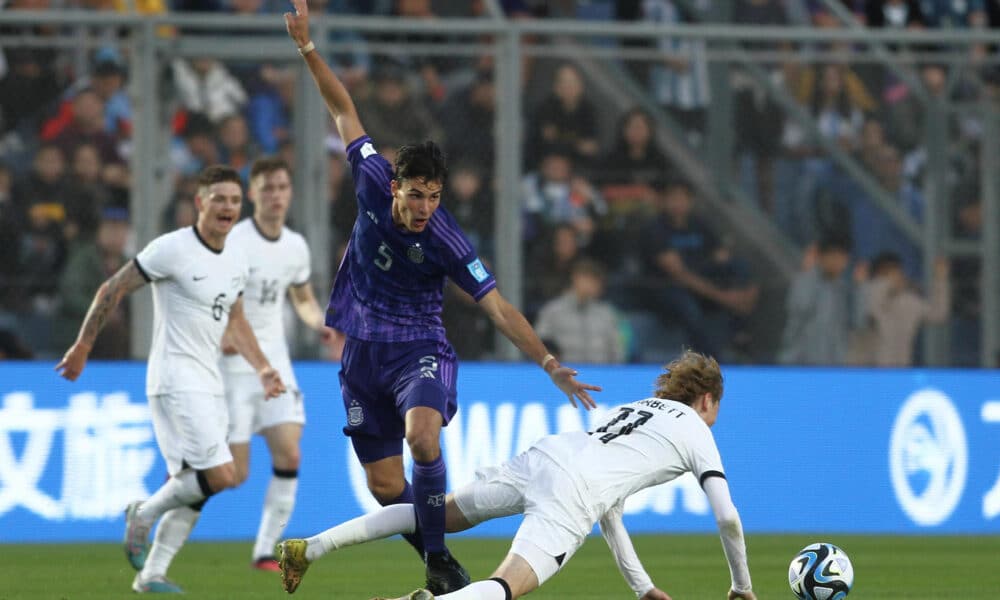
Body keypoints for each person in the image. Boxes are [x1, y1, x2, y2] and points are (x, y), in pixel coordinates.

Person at [282, 1, 601, 594]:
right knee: (383, 486)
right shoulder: (372, 178)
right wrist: (307, 48)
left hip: (418, 349)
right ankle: (439, 555)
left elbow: (499, 307)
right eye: (418, 195)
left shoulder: (449, 239)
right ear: (396, 186)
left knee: (422, 437)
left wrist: (550, 363)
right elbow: (342, 108)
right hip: (361, 354)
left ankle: (434, 558)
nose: (426, 207)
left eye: (434, 196)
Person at [276, 350, 755, 600]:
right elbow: (728, 518)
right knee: (506, 585)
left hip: (549, 456)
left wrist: (642, 587)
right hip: (574, 489)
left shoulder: (638, 408)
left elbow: (610, 510)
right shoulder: (695, 426)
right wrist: (741, 586)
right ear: (708, 400)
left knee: (437, 514)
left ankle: (309, 547)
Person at [55, 165, 286, 593]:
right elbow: (113, 288)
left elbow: (236, 320)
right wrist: (83, 345)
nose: (228, 207)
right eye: (219, 198)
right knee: (220, 475)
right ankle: (142, 513)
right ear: (200, 202)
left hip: (209, 380)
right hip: (175, 378)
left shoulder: (236, 258)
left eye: (235, 200)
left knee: (197, 486)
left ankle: (152, 574)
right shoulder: (173, 249)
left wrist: (264, 367)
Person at [220, 156, 332, 571]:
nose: (276, 196)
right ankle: (179, 482)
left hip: (276, 365)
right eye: (267, 188)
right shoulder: (233, 241)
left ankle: (265, 550)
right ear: (252, 194)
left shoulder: (295, 246)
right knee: (232, 474)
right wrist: (223, 336)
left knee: (290, 454)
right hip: (233, 365)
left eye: (282, 188)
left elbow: (301, 298)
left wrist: (319, 323)